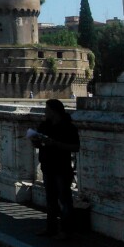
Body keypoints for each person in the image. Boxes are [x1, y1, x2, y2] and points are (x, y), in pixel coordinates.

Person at [29, 99, 80, 239]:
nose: (45, 111)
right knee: (51, 199)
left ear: (54, 111)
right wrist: (36, 141)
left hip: (62, 167)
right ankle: (51, 228)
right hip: (47, 165)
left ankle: (66, 230)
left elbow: (76, 147)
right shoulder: (44, 125)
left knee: (64, 199)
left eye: (47, 109)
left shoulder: (68, 127)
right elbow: (39, 146)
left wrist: (55, 143)